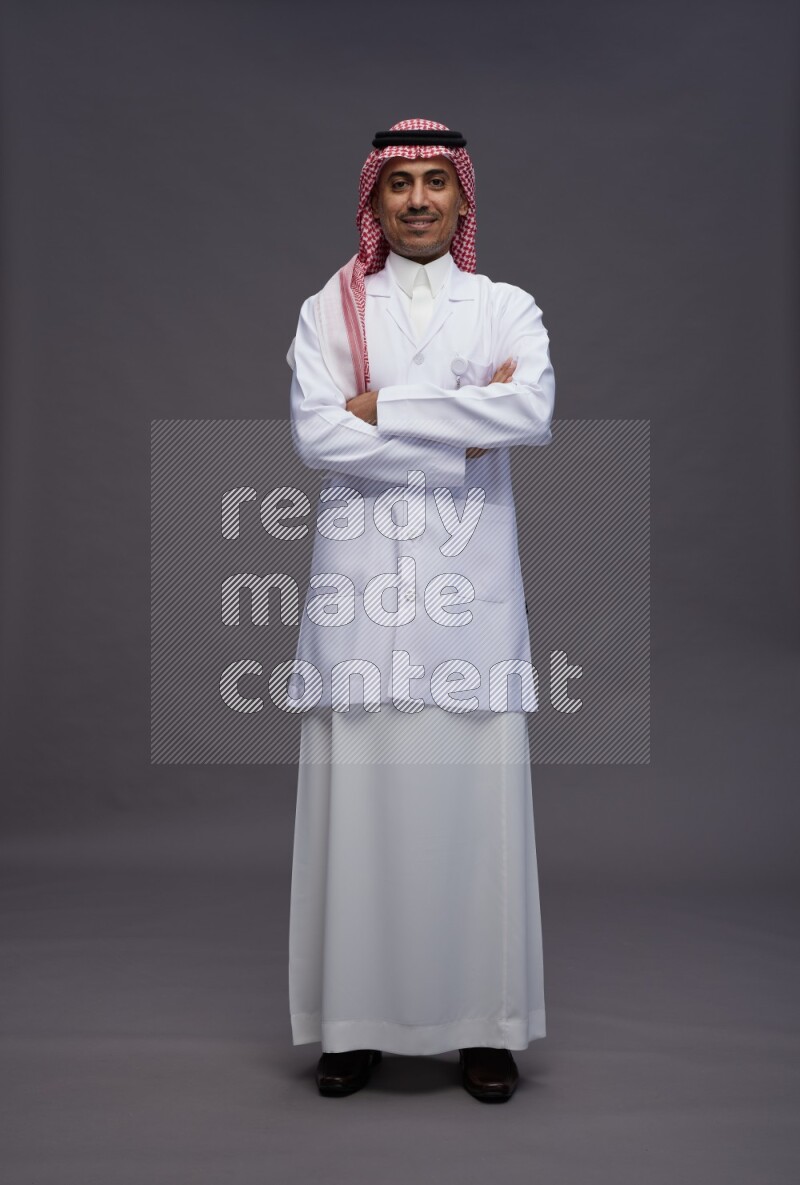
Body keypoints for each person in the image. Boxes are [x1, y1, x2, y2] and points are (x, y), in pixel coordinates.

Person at [285, 118, 556, 1102]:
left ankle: (481, 1029)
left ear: (461, 199)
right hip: (360, 599)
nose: (415, 202)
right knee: (357, 815)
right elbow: (315, 438)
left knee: (471, 817)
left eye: (434, 183)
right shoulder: (330, 308)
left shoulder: (504, 308)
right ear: (374, 200)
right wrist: (454, 421)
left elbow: (527, 413)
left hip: (464, 609)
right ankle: (351, 1027)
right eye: (398, 186)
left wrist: (380, 410)